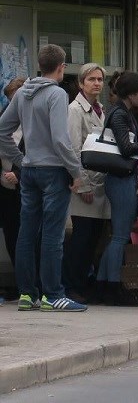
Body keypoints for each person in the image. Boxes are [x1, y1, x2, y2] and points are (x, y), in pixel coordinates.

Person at [0, 45, 88, 312]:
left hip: (30, 170)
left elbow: (2, 131)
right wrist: (76, 172)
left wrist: (20, 160)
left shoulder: (23, 93)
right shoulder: (57, 94)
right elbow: (61, 141)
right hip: (53, 171)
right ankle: (53, 294)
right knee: (52, 234)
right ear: (61, 67)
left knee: (27, 232)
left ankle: (28, 294)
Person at [93, 72, 138, 306]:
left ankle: (102, 284)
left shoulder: (119, 111)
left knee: (117, 235)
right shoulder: (120, 114)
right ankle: (113, 287)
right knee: (120, 235)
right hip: (121, 179)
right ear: (131, 94)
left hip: (120, 178)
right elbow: (126, 148)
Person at [62, 62, 109, 303]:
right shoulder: (74, 110)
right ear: (81, 83)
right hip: (84, 185)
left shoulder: (100, 109)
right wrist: (82, 184)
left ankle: (82, 283)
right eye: (91, 79)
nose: (97, 83)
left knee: (92, 240)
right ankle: (71, 285)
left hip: (100, 184)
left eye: (100, 79)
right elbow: (73, 149)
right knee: (80, 240)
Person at [0, 77, 27, 302]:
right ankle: (19, 282)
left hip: (27, 184)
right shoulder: (3, 118)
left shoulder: (34, 121)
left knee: (26, 235)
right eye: (9, 100)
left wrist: (18, 173)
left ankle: (27, 283)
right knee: (11, 233)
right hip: (5, 185)